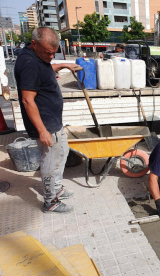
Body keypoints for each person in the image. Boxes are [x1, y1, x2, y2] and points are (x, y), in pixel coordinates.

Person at [14, 27, 80, 213]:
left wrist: (63, 65)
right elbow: (28, 100)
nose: (51, 56)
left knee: (62, 153)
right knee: (51, 162)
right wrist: (42, 130)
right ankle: (50, 202)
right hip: (46, 125)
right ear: (34, 44)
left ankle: (56, 189)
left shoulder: (37, 57)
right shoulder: (29, 64)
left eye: (54, 53)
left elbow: (44, 70)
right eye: (47, 53)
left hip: (53, 122)